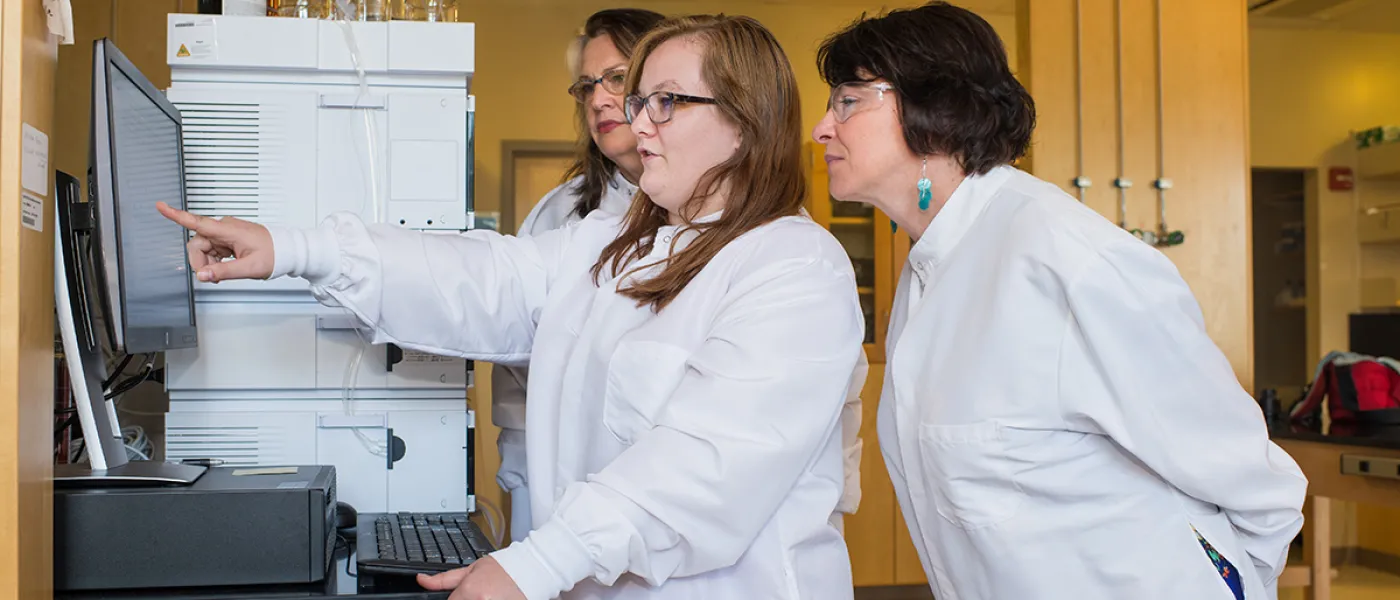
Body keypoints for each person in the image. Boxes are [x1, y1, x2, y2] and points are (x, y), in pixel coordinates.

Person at [159, 13, 864, 600]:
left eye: (666, 102)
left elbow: (703, 467)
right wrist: (292, 247)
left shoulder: (793, 269)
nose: (636, 121)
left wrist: (537, 563)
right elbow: (478, 275)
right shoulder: (614, 242)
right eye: (637, 99)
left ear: (746, 121)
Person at [810, 3, 1307, 600]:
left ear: (933, 111)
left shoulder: (1065, 259)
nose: (822, 126)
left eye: (848, 100)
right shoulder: (932, 269)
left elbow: (1252, 482)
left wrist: (1224, 581)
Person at [493, 7, 664, 545]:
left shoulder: (741, 215)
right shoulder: (560, 212)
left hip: (663, 491)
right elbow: (509, 339)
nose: (597, 99)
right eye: (587, 86)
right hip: (553, 482)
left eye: (617, 78)